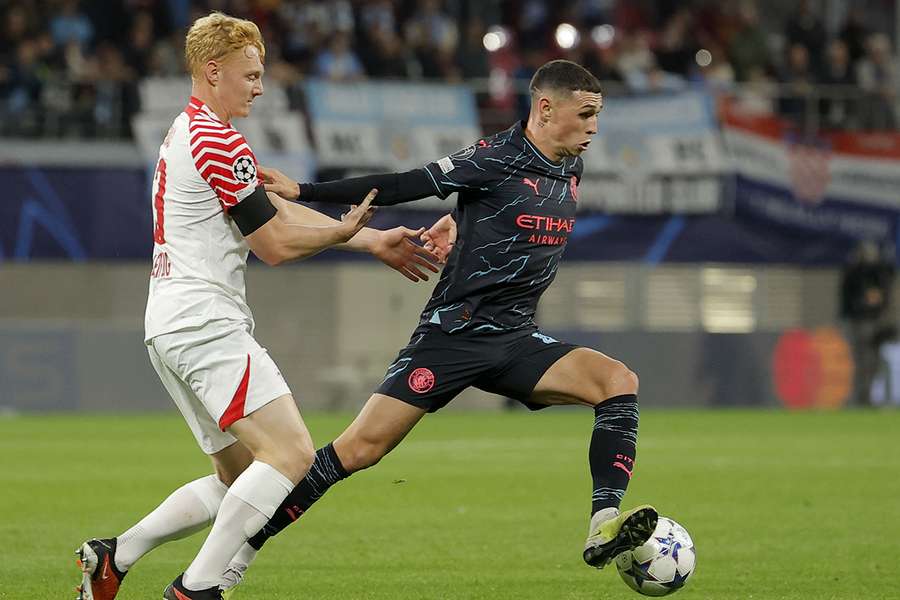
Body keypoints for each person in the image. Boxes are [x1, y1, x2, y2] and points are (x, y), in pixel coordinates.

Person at [222, 59, 657, 595]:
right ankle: (239, 551)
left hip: (516, 338)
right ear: (545, 108)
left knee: (618, 382)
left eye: (598, 116)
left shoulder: (571, 166)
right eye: (586, 114)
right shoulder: (495, 157)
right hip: (454, 334)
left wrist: (466, 224)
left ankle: (602, 524)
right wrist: (306, 191)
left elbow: (498, 218)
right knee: (357, 451)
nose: (594, 127)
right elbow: (407, 183)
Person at [74, 12, 440, 600]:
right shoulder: (218, 140)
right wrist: (344, 233)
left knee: (242, 476)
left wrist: (369, 239)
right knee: (292, 453)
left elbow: (270, 210)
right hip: (205, 322)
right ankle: (197, 589)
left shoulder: (185, 130)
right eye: (251, 74)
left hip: (168, 323)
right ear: (213, 71)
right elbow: (272, 243)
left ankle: (115, 556)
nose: (260, 86)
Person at [841, 240, 895, 406]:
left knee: (873, 361)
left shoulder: (878, 273)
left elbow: (885, 290)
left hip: (874, 321)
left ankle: (868, 396)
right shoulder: (856, 273)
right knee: (862, 361)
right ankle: (862, 397)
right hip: (860, 321)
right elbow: (848, 299)